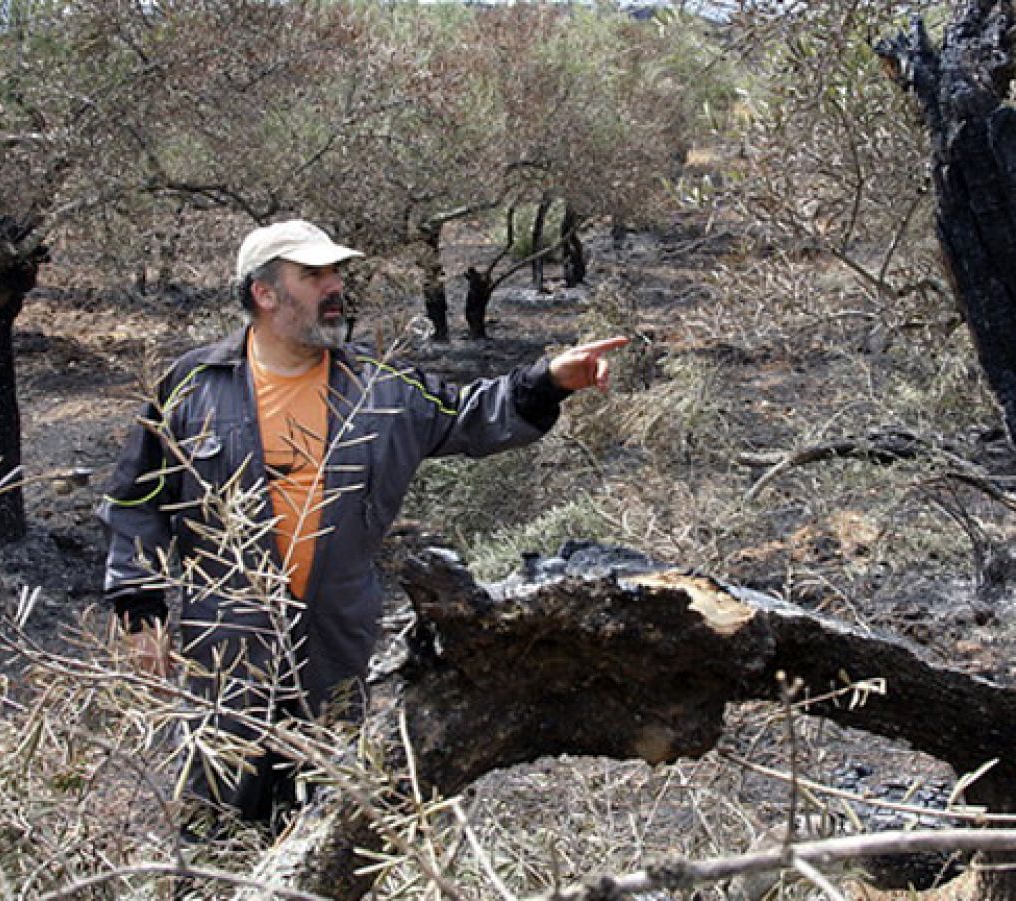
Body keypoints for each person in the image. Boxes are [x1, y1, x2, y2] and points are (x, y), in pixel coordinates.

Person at [99, 219, 626, 834]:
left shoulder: (379, 387)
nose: (335, 286)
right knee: (215, 819)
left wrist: (548, 380)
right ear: (265, 293)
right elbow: (137, 499)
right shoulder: (192, 386)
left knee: (321, 823)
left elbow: (471, 413)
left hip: (334, 646)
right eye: (314, 274)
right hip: (227, 650)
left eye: (336, 272)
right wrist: (139, 611)